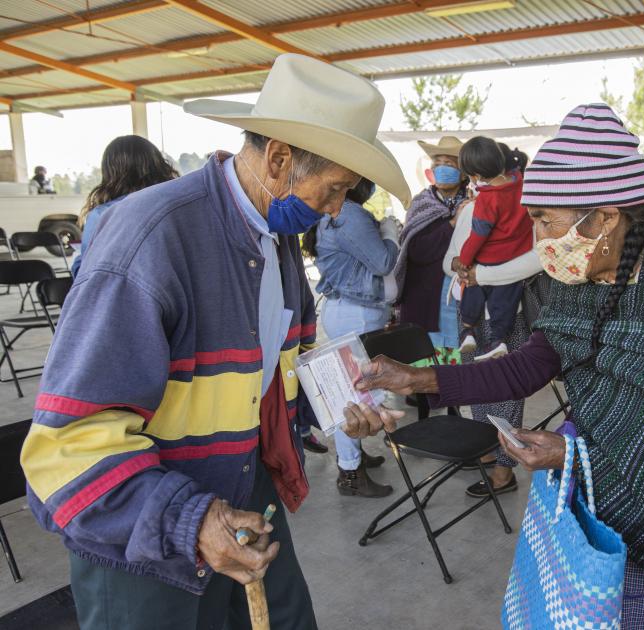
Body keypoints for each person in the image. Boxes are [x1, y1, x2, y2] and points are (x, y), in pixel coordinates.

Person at [355, 104, 644, 629]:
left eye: (545, 221)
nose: (539, 238)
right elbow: (523, 369)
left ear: (605, 219)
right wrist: (416, 378)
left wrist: (579, 455)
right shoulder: (580, 286)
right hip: (602, 489)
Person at [19, 54, 408, 629]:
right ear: (279, 160)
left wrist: (339, 401)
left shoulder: (274, 238)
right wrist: (191, 520)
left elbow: (267, 377)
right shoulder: (152, 238)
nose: (334, 211)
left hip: (241, 487)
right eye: (334, 190)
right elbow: (67, 446)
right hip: (146, 537)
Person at [444, 192, 542, 497]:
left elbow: (534, 262)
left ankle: (504, 469)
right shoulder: (470, 209)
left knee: (505, 391)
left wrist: (480, 273)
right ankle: (485, 449)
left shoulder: (528, 211)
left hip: (507, 315)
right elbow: (450, 260)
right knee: (477, 387)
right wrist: (462, 270)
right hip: (468, 316)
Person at [312, 177, 399, 498]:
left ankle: (355, 455)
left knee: (359, 390)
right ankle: (350, 471)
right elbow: (383, 261)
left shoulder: (342, 212)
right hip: (354, 315)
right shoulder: (348, 213)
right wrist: (390, 232)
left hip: (352, 311)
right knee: (352, 394)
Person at [393, 136, 468, 365]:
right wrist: (452, 224)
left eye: (449, 164)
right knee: (427, 373)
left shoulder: (475, 203)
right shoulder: (421, 204)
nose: (442, 169)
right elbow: (416, 251)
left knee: (462, 371)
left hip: (462, 302)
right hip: (425, 302)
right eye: (437, 164)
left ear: (463, 173)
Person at [455, 137, 531, 359]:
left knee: (471, 285)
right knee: (504, 299)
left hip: (488, 257)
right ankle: (498, 339)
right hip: (516, 256)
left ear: (475, 176)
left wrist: (465, 260)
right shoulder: (522, 184)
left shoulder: (486, 200)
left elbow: (478, 236)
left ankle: (468, 329)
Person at [72, 135, 179, 276]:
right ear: (158, 164)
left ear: (110, 172)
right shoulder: (178, 205)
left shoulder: (103, 215)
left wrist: (77, 262)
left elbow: (86, 273)